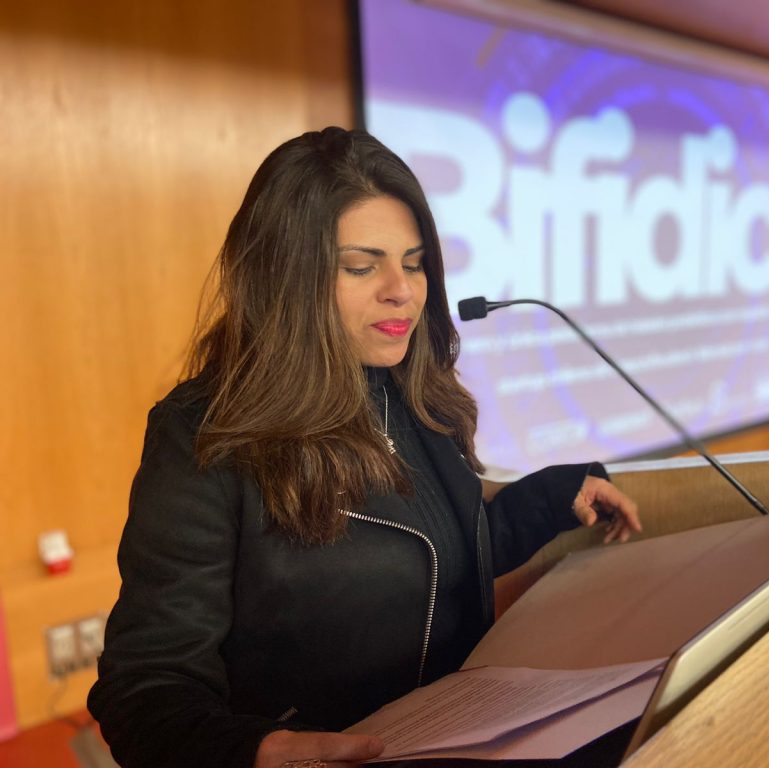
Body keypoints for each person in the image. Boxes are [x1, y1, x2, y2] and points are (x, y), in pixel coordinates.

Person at [87, 127, 641, 768]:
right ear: (285, 277)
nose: (401, 289)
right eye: (361, 266)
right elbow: (145, 687)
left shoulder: (413, 392)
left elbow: (436, 564)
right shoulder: (204, 434)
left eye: (414, 263)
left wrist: (551, 499)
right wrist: (255, 750)